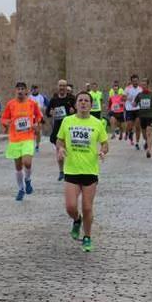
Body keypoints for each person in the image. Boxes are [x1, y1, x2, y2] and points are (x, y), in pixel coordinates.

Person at [56, 92, 108, 253]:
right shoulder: (67, 121)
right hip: (71, 169)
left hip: (90, 171)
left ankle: (87, 237)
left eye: (86, 101)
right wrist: (61, 148)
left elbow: (105, 143)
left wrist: (102, 152)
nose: (83, 103)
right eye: (80, 100)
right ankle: (76, 220)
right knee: (70, 207)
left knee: (87, 207)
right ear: (76, 104)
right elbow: (60, 140)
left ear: (91, 105)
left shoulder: (97, 123)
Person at [1, 82, 44, 201]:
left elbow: (39, 117)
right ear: (15, 91)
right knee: (18, 166)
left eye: (22, 89)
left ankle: (28, 179)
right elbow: (4, 118)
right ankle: (21, 189)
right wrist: (5, 123)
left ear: (26, 91)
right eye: (18, 89)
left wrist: (36, 124)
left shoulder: (32, 103)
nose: (20, 91)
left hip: (28, 137)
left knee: (27, 162)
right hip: (15, 139)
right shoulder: (11, 104)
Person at [46, 80, 76, 181]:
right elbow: (48, 112)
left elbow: (79, 111)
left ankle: (70, 170)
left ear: (66, 87)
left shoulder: (72, 99)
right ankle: (61, 172)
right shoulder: (54, 100)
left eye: (64, 86)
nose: (62, 88)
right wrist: (50, 112)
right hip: (58, 129)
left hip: (70, 129)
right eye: (60, 86)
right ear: (57, 87)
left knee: (70, 151)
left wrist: (74, 111)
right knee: (59, 152)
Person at [134, 79, 152, 158]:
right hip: (142, 117)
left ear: (147, 85)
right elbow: (134, 104)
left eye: (144, 84)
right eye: (142, 85)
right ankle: (146, 142)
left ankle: (149, 151)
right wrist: (131, 103)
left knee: (149, 133)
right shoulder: (139, 95)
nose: (143, 86)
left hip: (150, 116)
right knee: (144, 135)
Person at [124, 75, 143, 148]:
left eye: (136, 81)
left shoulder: (140, 89)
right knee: (129, 125)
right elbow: (123, 98)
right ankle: (128, 132)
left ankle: (137, 143)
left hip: (138, 109)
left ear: (138, 81)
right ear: (131, 81)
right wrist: (127, 98)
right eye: (134, 81)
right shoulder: (127, 89)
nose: (135, 82)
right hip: (129, 109)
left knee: (138, 126)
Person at [30, 85, 49, 153]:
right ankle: (30, 144)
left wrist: (44, 109)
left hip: (39, 116)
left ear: (38, 89)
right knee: (31, 131)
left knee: (37, 131)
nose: (34, 90)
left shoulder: (42, 97)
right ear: (31, 90)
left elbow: (48, 105)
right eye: (33, 89)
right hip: (30, 117)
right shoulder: (29, 97)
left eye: (36, 89)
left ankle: (37, 145)